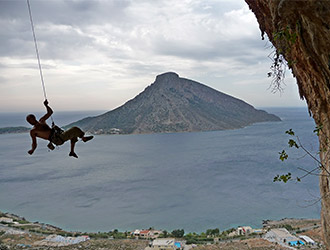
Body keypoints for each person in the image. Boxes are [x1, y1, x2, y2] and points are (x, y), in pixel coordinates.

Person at [26, 100, 93, 158]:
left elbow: (50, 112)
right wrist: (32, 150)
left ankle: (72, 152)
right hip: (57, 139)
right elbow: (34, 143)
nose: (29, 122)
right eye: (28, 121)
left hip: (59, 135)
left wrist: (46, 105)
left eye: (30, 120)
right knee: (74, 129)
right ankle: (83, 138)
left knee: (74, 135)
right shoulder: (33, 131)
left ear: (34, 118)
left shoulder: (42, 120)